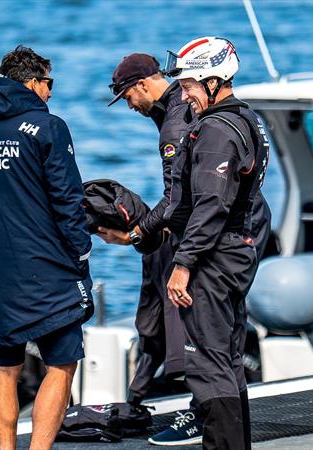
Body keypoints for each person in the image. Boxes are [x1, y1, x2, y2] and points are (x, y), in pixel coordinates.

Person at [0, 45, 92, 450]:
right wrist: (80, 252)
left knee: (5, 367)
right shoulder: (48, 128)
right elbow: (68, 199)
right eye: (49, 84)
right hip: (49, 267)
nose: (50, 93)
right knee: (62, 364)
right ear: (31, 82)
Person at [162, 36, 271, 450]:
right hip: (238, 250)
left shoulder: (214, 130)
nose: (184, 95)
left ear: (213, 82)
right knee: (226, 358)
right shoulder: (248, 118)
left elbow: (211, 203)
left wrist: (184, 263)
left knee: (207, 363)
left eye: (189, 86)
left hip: (215, 256)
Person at [100, 53, 194, 439]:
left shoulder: (174, 121)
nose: (128, 105)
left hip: (211, 235)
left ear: (142, 86)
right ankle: (145, 390)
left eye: (126, 97)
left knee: (204, 329)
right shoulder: (170, 110)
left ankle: (200, 413)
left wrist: (136, 234)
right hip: (209, 226)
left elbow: (175, 200)